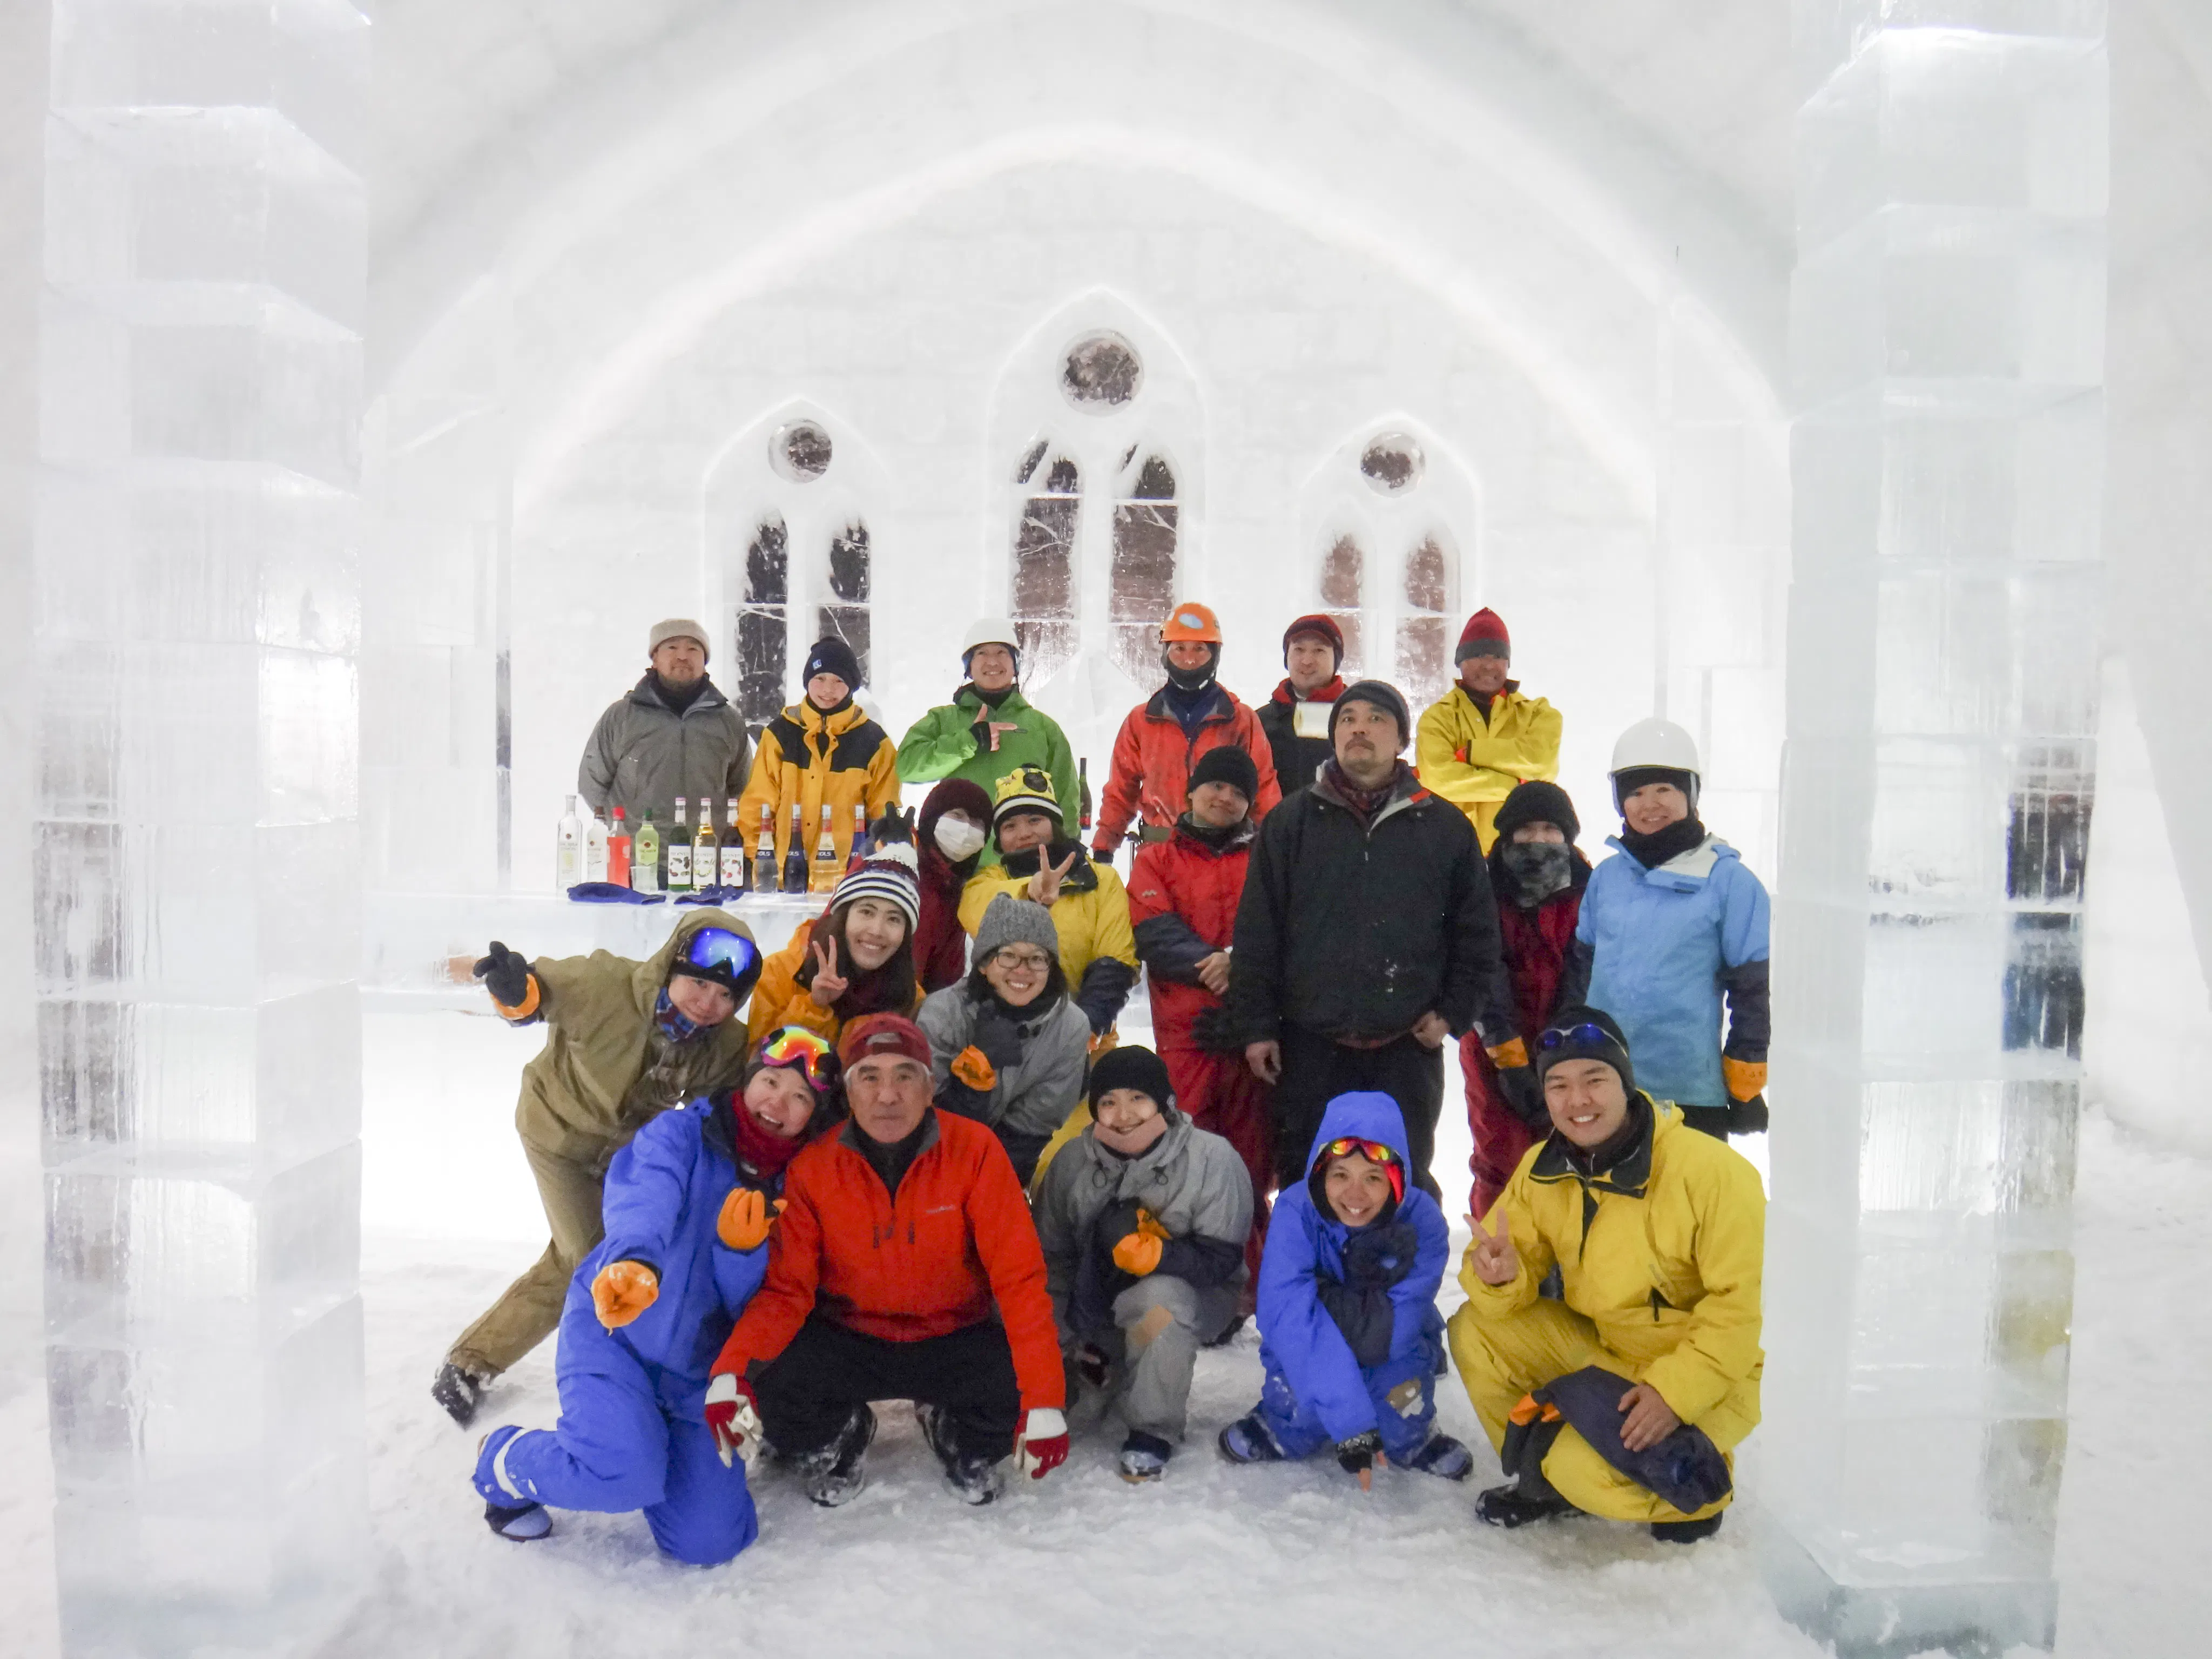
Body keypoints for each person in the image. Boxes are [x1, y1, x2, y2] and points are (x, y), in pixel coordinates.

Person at [469, 1026, 842, 1558]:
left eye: (800, 1097)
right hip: (616, 1336)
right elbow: (646, 1195)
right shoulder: (683, 1132)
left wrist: (739, 1254)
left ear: (814, 1116)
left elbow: (770, 1303)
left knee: (710, 1542)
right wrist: (636, 1260)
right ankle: (504, 1458)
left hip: (697, 1372)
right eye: (770, 1081)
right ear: (748, 1081)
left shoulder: (803, 1187)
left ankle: (644, 1442)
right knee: (621, 1474)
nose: (778, 1102)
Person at [703, 1014, 1068, 1507]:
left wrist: (1044, 1399)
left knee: (1021, 1395)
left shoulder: (976, 1150)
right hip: (851, 1335)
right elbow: (787, 1291)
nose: (888, 1095)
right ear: (849, 1093)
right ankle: (843, 1435)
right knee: (776, 1391)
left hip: (952, 1334)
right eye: (870, 1077)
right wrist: (732, 1372)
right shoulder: (814, 1167)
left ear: (931, 1088)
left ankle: (951, 1428)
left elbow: (1019, 1279)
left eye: (905, 1076)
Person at [434, 914, 764, 1427]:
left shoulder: (723, 1047)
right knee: (586, 1260)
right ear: (671, 965)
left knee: (592, 1252)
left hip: (627, 1158)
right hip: (558, 1135)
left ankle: (507, 1359)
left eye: (725, 995)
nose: (708, 1003)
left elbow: (720, 1112)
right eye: (699, 983)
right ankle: (474, 1364)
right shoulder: (604, 985)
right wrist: (513, 989)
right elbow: (536, 994)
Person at [1448, 1009, 1763, 1542]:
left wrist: (1673, 1394)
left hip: (1705, 1373)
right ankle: (1542, 1483)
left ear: (1626, 1082)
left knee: (1581, 1471)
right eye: (1558, 1085)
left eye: (1594, 1079)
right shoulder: (1544, 1167)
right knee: (1474, 1328)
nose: (1578, 1101)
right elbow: (1507, 1261)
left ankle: (1695, 1492)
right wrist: (1500, 1274)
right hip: (1608, 1351)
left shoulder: (1712, 1173)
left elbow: (1737, 1312)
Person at [1227, 679, 1504, 1193]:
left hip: (1407, 1047)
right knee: (1307, 1181)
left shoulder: (1445, 827)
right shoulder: (1290, 823)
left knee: (1401, 1183)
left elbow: (1477, 936)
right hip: (1309, 1045)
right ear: (1333, 737)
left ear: (1401, 739)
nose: (1360, 729)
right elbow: (1258, 934)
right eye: (1348, 719)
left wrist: (1452, 1013)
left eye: (1377, 719)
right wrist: (1258, 1026)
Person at [1217, 1091, 1473, 1485]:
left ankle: (1415, 1438)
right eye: (1340, 1175)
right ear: (1320, 1173)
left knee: (1399, 1402)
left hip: (1391, 1342)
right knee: (1300, 1399)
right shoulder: (1296, 1210)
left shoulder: (1423, 1222)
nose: (1355, 1195)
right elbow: (1287, 1314)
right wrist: (1351, 1421)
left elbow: (1399, 1324)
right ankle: (1281, 1427)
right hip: (1315, 1334)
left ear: (1397, 1180)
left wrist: (1323, 1304)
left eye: (1373, 1178)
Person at [1031, 1047, 1253, 1483]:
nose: (1123, 1114)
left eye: (1138, 1098)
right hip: (1095, 1297)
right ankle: (1101, 1363)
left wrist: (1161, 1256)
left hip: (1194, 1295)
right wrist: (1062, 1340)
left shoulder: (1213, 1158)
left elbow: (1223, 1260)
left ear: (1163, 1103)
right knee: (1071, 1410)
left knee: (1160, 1302)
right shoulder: (1071, 1161)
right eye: (1109, 1101)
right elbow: (1050, 1258)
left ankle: (1152, 1428)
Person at [1573, 718, 1771, 1141]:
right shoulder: (1606, 877)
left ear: (1691, 794)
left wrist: (1746, 1074)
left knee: (1689, 1187)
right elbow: (1581, 976)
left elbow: (1752, 989)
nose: (1649, 804)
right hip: (1605, 1085)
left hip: (1689, 1092)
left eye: (1664, 789)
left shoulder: (1729, 882)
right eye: (1635, 793)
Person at [1127, 743, 1273, 1289]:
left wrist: (1241, 968)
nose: (1224, 798)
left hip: (1251, 1037)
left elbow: (1282, 929)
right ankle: (1192, 1285)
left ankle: (1253, 1285)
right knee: (1185, 1161)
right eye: (1215, 786)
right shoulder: (1156, 859)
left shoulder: (1267, 859)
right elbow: (1155, 934)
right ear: (1191, 792)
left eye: (1238, 792)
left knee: (1251, 1165)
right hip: (1185, 1041)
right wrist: (1219, 964)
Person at [1462, 780, 1594, 1217]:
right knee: (1500, 1157)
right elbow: (1482, 971)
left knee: (1575, 1157)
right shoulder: (1481, 890)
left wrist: (1559, 1053)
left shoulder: (1589, 893)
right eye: (1527, 829)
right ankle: (1495, 1253)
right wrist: (1512, 1061)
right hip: (1493, 1048)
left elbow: (1585, 970)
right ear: (1507, 834)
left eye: (1550, 829)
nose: (1539, 839)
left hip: (1573, 1045)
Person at [920, 893, 1094, 1185]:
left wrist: (989, 1188)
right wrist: (978, 1065)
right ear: (984, 964)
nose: (1022, 970)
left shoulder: (1070, 1027)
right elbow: (928, 1118)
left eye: (1037, 959)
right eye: (1009, 956)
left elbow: (1030, 1131)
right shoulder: (944, 1012)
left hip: (1005, 1167)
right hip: (933, 1160)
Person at [1091, 602, 1281, 860]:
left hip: (1224, 858)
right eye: (1179, 648)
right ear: (1165, 653)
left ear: (1215, 654)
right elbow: (1121, 792)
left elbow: (1263, 790)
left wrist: (1275, 851)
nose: (1189, 659)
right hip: (1158, 860)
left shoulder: (1240, 720)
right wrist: (1104, 848)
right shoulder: (1141, 722)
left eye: (1199, 649)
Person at [959, 766, 1138, 1038]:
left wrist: (1081, 1031)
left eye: (1035, 820)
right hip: (1003, 1037)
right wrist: (1028, 890)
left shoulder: (1102, 879)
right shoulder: (990, 880)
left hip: (1088, 1036)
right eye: (1009, 826)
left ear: (1055, 825)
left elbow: (1116, 962)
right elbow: (973, 909)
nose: (1024, 833)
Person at [895, 617, 1079, 852]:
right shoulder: (943, 720)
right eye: (981, 653)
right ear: (969, 667)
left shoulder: (1043, 727)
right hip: (959, 863)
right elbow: (907, 767)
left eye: (1002, 652)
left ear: (1015, 664)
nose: (993, 661)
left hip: (1024, 864)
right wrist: (969, 741)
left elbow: (1066, 796)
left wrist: (1068, 851)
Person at [736, 636, 901, 880]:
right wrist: (761, 862)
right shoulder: (779, 735)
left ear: (852, 687)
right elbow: (757, 808)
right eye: (820, 678)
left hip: (846, 879)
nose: (827, 690)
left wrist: (874, 869)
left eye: (839, 681)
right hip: (783, 879)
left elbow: (883, 817)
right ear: (807, 681)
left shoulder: (875, 743)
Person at [577, 618, 751, 833]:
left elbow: (744, 788)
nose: (682, 656)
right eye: (672, 647)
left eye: (693, 649)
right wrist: (620, 830)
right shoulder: (622, 716)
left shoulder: (728, 721)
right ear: (655, 658)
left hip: (706, 849)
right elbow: (593, 781)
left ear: (704, 660)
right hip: (638, 850)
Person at [746, 841, 924, 1048]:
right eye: (866, 912)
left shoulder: (911, 996)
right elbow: (758, 1059)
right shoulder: (780, 973)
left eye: (894, 919)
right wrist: (814, 1005)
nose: (877, 931)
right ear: (843, 917)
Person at [1414, 608, 1562, 853]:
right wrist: (1517, 785)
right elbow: (1437, 779)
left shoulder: (1539, 713)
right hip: (1452, 853)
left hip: (1521, 856)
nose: (1489, 664)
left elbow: (1543, 766)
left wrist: (1472, 753)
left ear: (1508, 663)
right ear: (1460, 662)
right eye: (1479, 654)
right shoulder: (1437, 718)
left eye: (1498, 656)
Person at [911, 778, 994, 991]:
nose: (966, 829)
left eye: (977, 823)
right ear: (933, 817)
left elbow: (945, 974)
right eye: (957, 815)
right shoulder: (899, 860)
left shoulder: (955, 889)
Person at [1254, 613, 1347, 800]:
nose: (1307, 661)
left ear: (1336, 660)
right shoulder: (1259, 722)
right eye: (1299, 649)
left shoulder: (1354, 719)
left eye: (1319, 650)